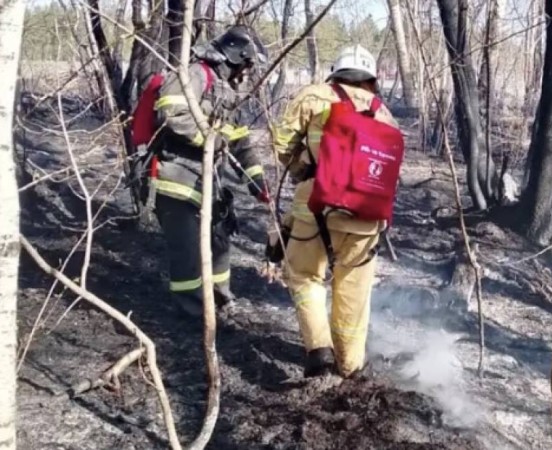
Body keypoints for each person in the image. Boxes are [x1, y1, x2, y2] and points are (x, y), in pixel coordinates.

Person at [271, 44, 400, 378]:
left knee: (303, 275)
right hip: (366, 216)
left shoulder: (314, 96)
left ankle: (319, 350)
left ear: (336, 71)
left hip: (314, 204)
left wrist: (303, 168)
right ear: (371, 78)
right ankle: (351, 365)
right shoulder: (384, 113)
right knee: (353, 291)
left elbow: (281, 143)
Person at [149, 25, 270, 317]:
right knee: (188, 252)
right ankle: (191, 311)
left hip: (208, 183)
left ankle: (220, 298)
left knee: (220, 242)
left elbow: (240, 142)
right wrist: (211, 140)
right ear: (235, 56)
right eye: (248, 64)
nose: (248, 71)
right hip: (177, 180)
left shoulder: (227, 92)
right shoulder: (192, 75)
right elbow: (171, 114)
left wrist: (257, 181)